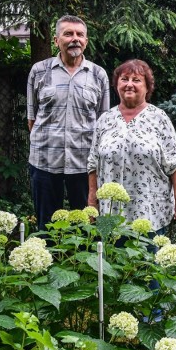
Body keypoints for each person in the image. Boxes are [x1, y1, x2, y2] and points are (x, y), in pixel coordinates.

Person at [27, 15, 110, 231]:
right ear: (56, 40)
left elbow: (103, 125)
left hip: (84, 164)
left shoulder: (98, 75)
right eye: (68, 34)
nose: (75, 39)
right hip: (44, 161)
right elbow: (32, 119)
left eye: (79, 35)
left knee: (86, 228)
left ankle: (84, 264)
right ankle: (46, 264)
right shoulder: (39, 71)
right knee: (47, 227)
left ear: (86, 41)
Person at [87, 59, 176, 234]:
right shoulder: (105, 120)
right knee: (111, 259)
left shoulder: (159, 118)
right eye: (124, 79)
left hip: (150, 212)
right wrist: (91, 202)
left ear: (147, 87)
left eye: (136, 80)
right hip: (109, 213)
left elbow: (175, 163)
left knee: (147, 260)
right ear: (116, 85)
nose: (129, 85)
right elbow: (93, 164)